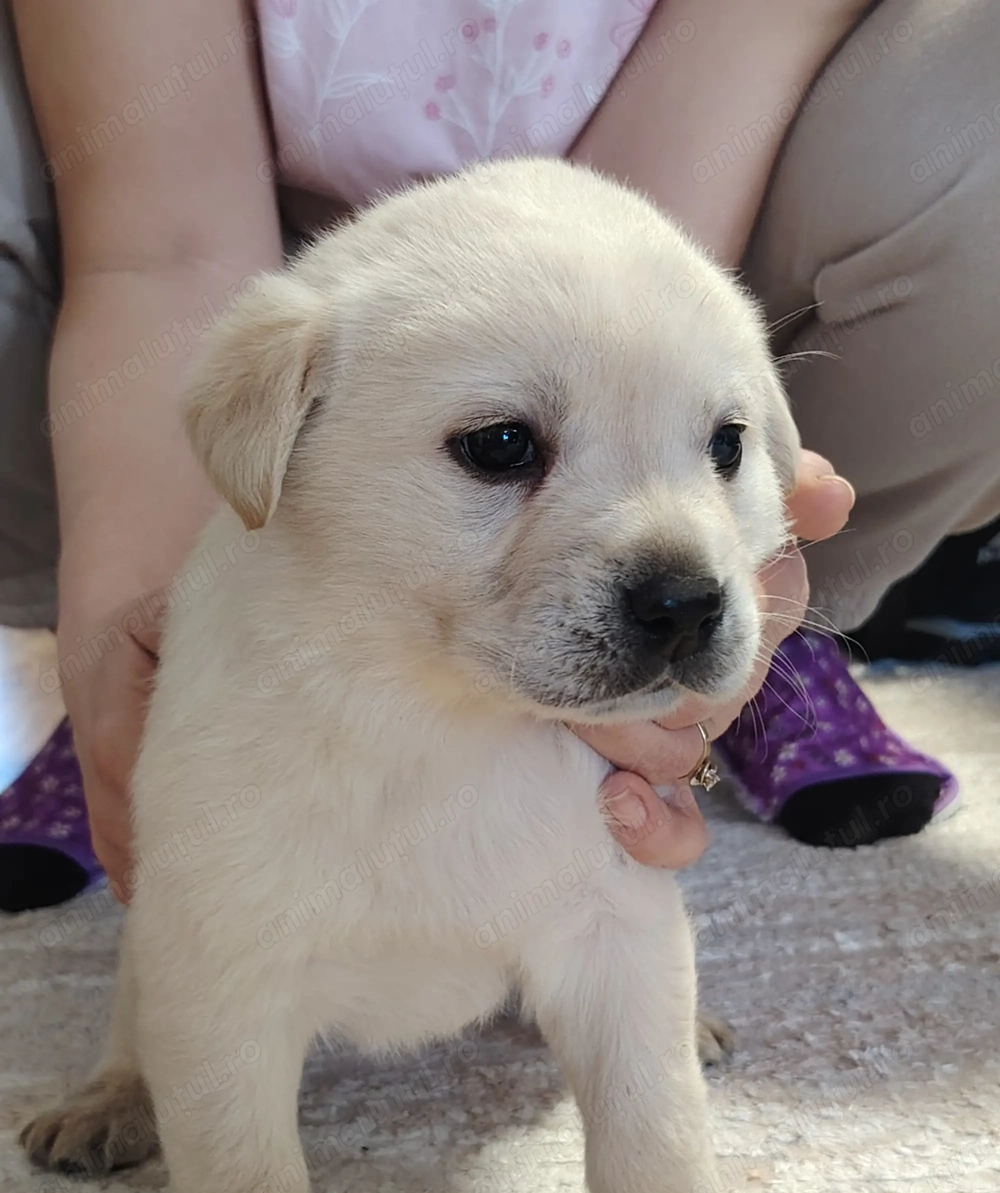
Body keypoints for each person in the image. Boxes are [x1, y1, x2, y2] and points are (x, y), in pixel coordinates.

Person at [1, 0, 996, 905]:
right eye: (503, 445)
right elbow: (163, 243)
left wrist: (678, 476)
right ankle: (140, 653)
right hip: (257, 300)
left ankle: (788, 623)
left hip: (710, 204)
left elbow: (644, 243)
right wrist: (151, 610)